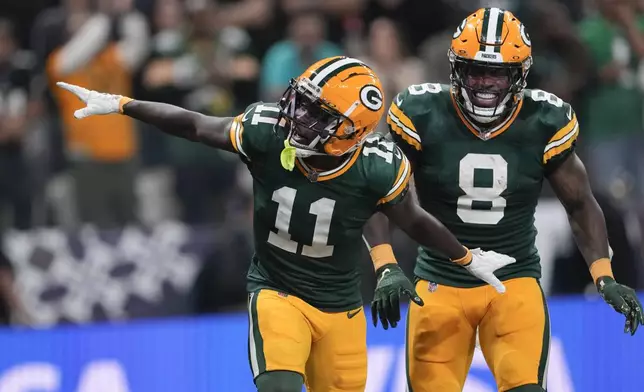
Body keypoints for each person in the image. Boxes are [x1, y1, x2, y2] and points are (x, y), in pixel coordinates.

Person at [56, 56, 514, 392]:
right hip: (279, 291)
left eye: (319, 114)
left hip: (341, 308)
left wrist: (466, 259)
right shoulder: (266, 130)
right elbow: (196, 125)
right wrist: (122, 104)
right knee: (279, 386)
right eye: (304, 101)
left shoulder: (376, 166)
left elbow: (408, 217)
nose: (299, 115)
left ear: (351, 133)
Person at [364, 8, 644, 392]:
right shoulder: (422, 111)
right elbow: (382, 192)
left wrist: (603, 275)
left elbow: (579, 203)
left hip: (513, 282)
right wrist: (385, 265)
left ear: (519, 73)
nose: (483, 83)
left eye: (496, 72)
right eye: (475, 69)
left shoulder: (545, 118)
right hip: (440, 284)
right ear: (455, 68)